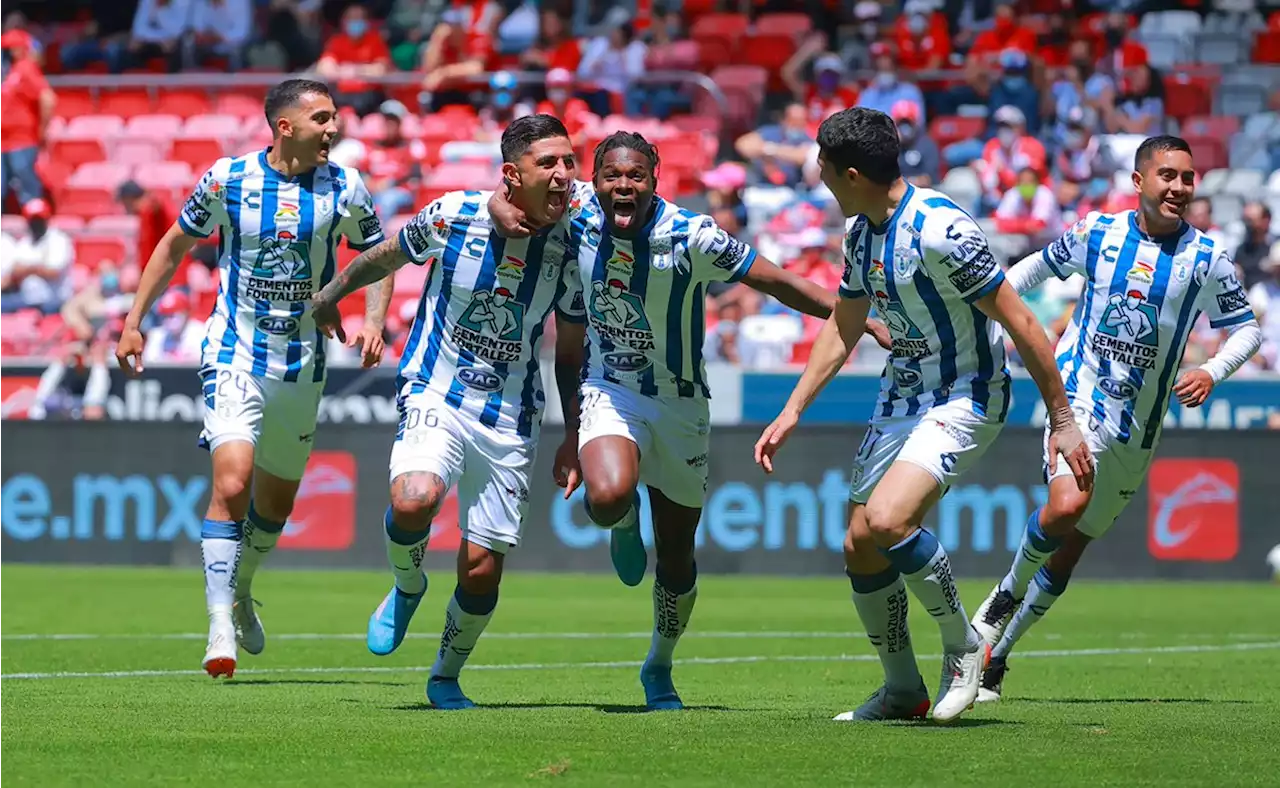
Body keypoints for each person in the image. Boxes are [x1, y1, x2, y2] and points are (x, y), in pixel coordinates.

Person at [486, 131, 892, 711]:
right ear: (593, 181)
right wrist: (497, 205)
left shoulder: (691, 235)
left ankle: (659, 664)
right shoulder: (574, 211)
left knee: (677, 556)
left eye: (636, 176)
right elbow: (510, 194)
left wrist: (850, 312)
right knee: (606, 497)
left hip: (681, 405)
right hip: (611, 389)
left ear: (655, 178)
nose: (622, 186)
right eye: (611, 176)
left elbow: (771, 278)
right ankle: (623, 520)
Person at [752, 107, 1094, 724]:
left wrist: (1062, 417)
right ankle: (903, 689)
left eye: (824, 169)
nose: (820, 177)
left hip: (967, 392)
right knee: (859, 545)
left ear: (851, 173)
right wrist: (793, 408)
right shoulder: (861, 232)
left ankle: (966, 645)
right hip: (901, 396)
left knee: (887, 520)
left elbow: (1020, 319)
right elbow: (846, 323)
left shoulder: (942, 230)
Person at [969, 135, 1262, 702]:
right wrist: (992, 317)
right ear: (1139, 181)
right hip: (1077, 404)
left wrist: (1214, 371)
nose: (1178, 187)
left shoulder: (1207, 259)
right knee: (1065, 505)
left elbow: (1246, 328)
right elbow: (1030, 270)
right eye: (1167, 175)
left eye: (1187, 177)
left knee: (1073, 545)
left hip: (1139, 432)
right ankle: (1003, 596)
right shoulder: (1097, 233)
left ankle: (998, 656)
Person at [309, 114, 589, 710]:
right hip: (436, 388)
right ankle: (407, 585)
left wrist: (574, 434)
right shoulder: (453, 214)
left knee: (482, 569)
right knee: (414, 498)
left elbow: (570, 351)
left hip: (512, 414)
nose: (565, 173)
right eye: (550, 164)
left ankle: (444, 674)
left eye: (569, 161)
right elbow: (384, 256)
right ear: (513, 174)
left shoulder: (575, 239)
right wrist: (331, 294)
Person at [114, 78, 390, 679]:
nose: (334, 128)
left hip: (303, 365)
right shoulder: (226, 179)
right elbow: (173, 246)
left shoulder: (345, 185)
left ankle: (242, 587)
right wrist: (134, 320)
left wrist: (374, 318)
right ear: (284, 126)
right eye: (322, 118)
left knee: (276, 504)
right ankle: (218, 625)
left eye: (335, 116)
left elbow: (377, 254)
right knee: (232, 480)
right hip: (234, 351)